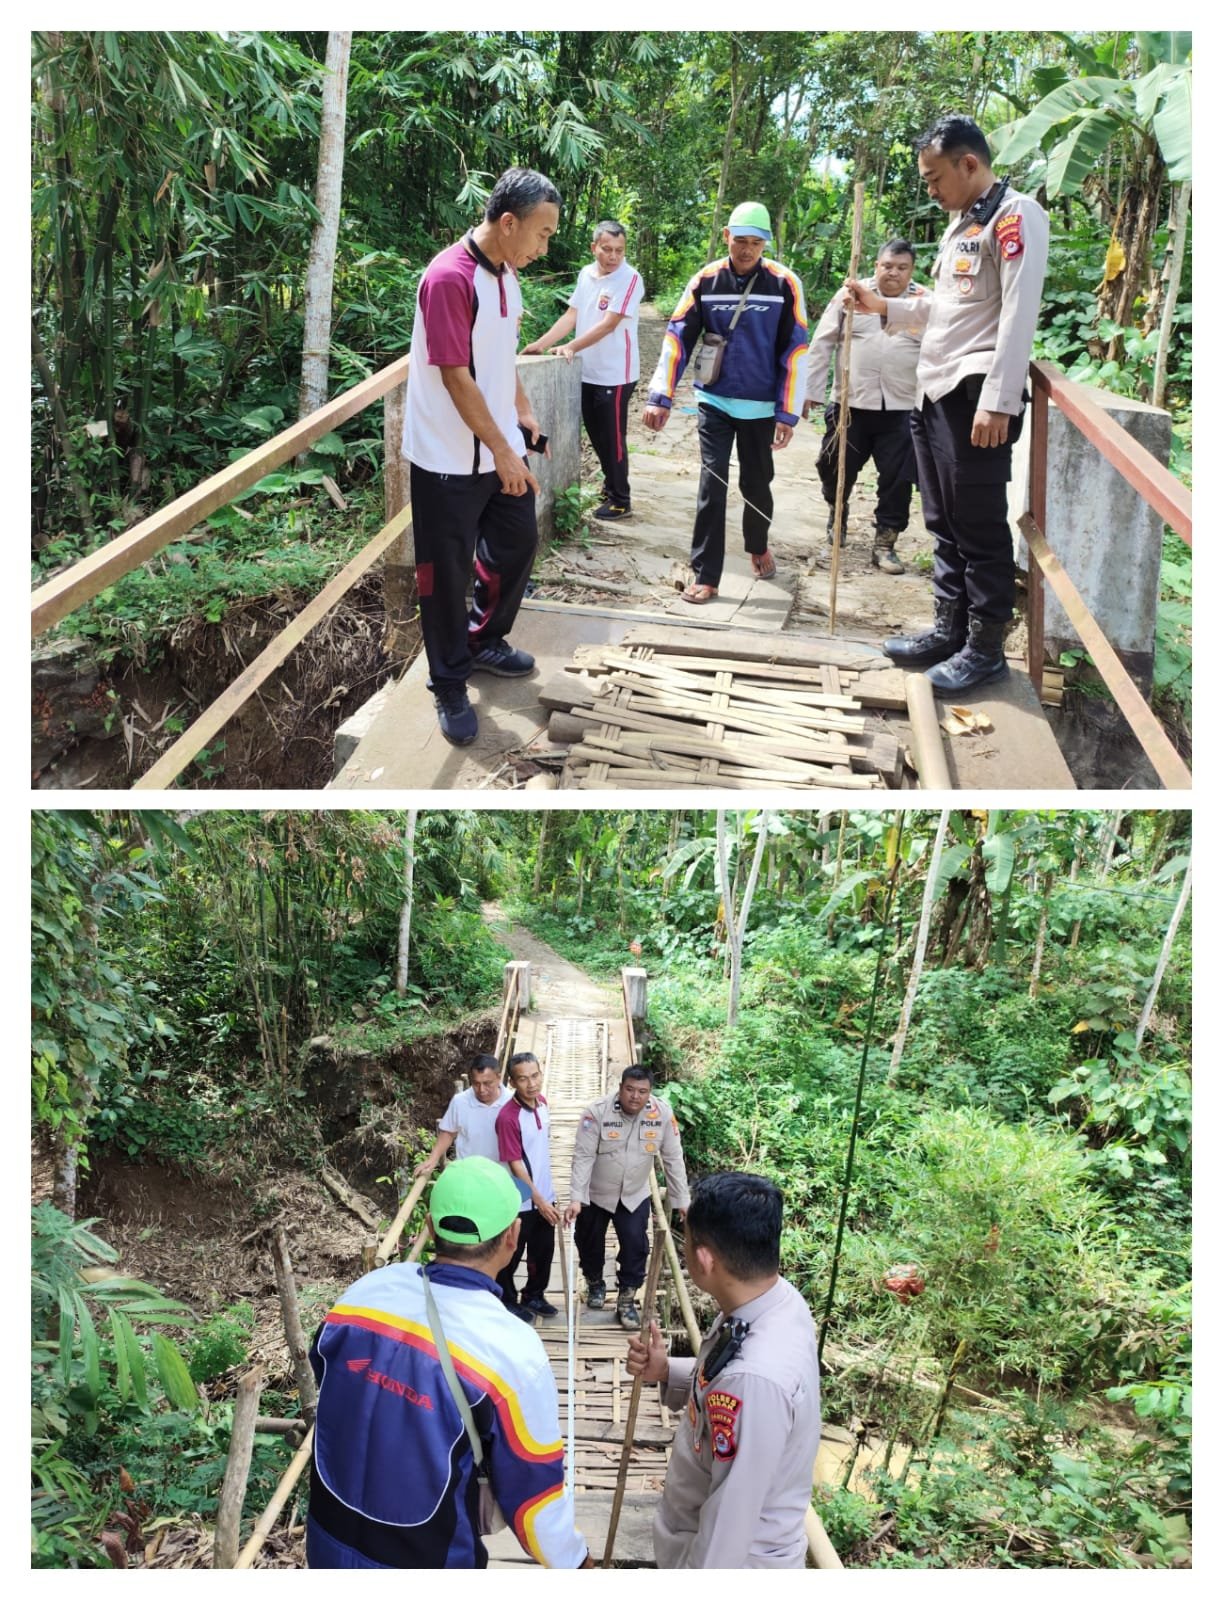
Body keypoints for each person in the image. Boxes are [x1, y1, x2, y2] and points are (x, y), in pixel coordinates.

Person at [845, 115, 1049, 695]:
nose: (930, 190)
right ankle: (949, 629)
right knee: (942, 519)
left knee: (978, 523)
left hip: (973, 396)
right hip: (932, 390)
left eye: (936, 178)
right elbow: (945, 309)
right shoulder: (963, 224)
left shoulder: (1015, 216)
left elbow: (1017, 314)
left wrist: (999, 400)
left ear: (969, 164)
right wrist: (881, 307)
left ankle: (984, 649)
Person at [306, 1156, 592, 1569]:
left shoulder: (364, 1294)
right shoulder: (512, 1350)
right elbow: (534, 1498)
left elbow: (326, 1373)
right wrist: (577, 1563)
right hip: (426, 1558)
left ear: (428, 1225)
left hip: (327, 1541)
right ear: (513, 1237)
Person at [402, 166, 561, 746]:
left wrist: (520, 410)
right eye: (542, 235)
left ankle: (482, 639)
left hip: (498, 448)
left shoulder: (507, 276)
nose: (545, 248)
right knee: (443, 575)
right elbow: (455, 376)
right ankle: (447, 680)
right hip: (448, 457)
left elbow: (500, 354)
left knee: (517, 542)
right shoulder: (450, 278)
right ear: (509, 221)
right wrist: (503, 451)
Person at [625, 1172, 820, 1568]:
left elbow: (727, 1531)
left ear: (703, 1259)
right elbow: (728, 1385)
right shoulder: (776, 1302)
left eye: (689, 1241)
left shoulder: (755, 1381)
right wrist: (668, 1372)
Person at [643, 202, 808, 604]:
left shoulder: (784, 284)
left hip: (761, 408)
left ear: (767, 243)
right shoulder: (705, 280)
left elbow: (796, 348)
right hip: (713, 401)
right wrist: (660, 396)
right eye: (740, 241)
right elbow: (677, 337)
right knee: (711, 485)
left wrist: (787, 412)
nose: (748, 250)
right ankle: (706, 573)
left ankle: (757, 544)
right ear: (726, 237)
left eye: (756, 243)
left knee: (756, 484)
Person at [803, 238, 926, 575]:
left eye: (902, 268)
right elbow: (822, 342)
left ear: (911, 270)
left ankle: (885, 544)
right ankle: (836, 511)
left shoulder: (923, 301)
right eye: (888, 266)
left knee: (898, 480)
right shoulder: (850, 296)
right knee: (832, 466)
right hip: (850, 403)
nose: (894, 274)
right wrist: (810, 390)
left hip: (901, 408)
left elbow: (937, 351)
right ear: (876, 265)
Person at [522, 221, 645, 521]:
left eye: (619, 250)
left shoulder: (630, 279)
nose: (613, 256)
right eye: (607, 249)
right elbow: (571, 315)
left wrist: (572, 347)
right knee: (596, 434)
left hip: (616, 374)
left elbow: (609, 324)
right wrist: (541, 343)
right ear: (594, 248)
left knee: (612, 437)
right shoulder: (586, 275)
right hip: (587, 371)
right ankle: (609, 484)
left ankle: (620, 499)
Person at [563, 1064, 690, 1331]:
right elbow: (583, 1157)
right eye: (630, 1089)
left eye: (642, 1091)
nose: (635, 1096)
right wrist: (577, 1197)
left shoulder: (662, 1114)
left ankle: (627, 1299)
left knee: (635, 1246)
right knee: (588, 1242)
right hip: (597, 1194)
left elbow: (673, 1158)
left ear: (650, 1092)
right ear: (620, 1088)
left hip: (634, 1194)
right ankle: (595, 1282)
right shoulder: (596, 1113)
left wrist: (681, 1200)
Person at [495, 1052, 560, 1322]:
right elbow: (515, 1164)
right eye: (523, 1079)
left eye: (535, 1076)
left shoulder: (542, 1103)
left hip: (546, 1193)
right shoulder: (507, 1117)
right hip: (520, 1198)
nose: (531, 1083)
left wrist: (547, 1197)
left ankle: (534, 1294)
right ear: (512, 1082)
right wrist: (539, 1200)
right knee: (512, 1251)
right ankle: (506, 1299)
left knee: (543, 1249)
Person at [413, 1054, 511, 1176]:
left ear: (499, 1078)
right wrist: (433, 1159)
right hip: (468, 1175)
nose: (481, 1089)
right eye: (476, 1083)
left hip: (502, 1177)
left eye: (487, 1083)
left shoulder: (512, 1102)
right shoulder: (460, 1102)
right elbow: (448, 1132)